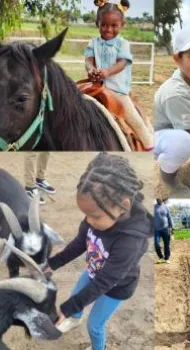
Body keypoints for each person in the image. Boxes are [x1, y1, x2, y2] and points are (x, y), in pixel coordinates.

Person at [42, 152, 153, 350]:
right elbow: (79, 243)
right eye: (86, 215)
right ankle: (74, 319)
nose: (89, 222)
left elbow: (105, 282)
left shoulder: (130, 241)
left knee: (94, 326)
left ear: (123, 206)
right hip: (94, 270)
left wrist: (68, 307)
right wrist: (53, 263)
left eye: (94, 217)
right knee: (77, 294)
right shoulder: (96, 214)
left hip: (116, 286)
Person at [85, 0, 153, 151]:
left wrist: (107, 72)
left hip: (118, 91)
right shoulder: (93, 43)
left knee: (135, 121)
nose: (108, 29)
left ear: (122, 24)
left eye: (114, 25)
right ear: (98, 23)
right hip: (97, 87)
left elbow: (122, 62)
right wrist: (91, 70)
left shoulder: (122, 44)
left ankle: (150, 146)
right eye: (104, 25)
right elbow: (88, 61)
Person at [154, 25, 190, 196]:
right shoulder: (174, 94)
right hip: (166, 138)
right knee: (183, 142)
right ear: (178, 58)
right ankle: (168, 178)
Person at [154, 198, 174, 264]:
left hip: (165, 228)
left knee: (167, 244)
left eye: (159, 199)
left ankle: (167, 258)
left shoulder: (166, 207)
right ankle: (161, 257)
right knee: (157, 244)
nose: (158, 200)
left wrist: (172, 226)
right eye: (157, 199)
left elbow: (169, 217)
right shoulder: (154, 207)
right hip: (156, 229)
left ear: (162, 199)